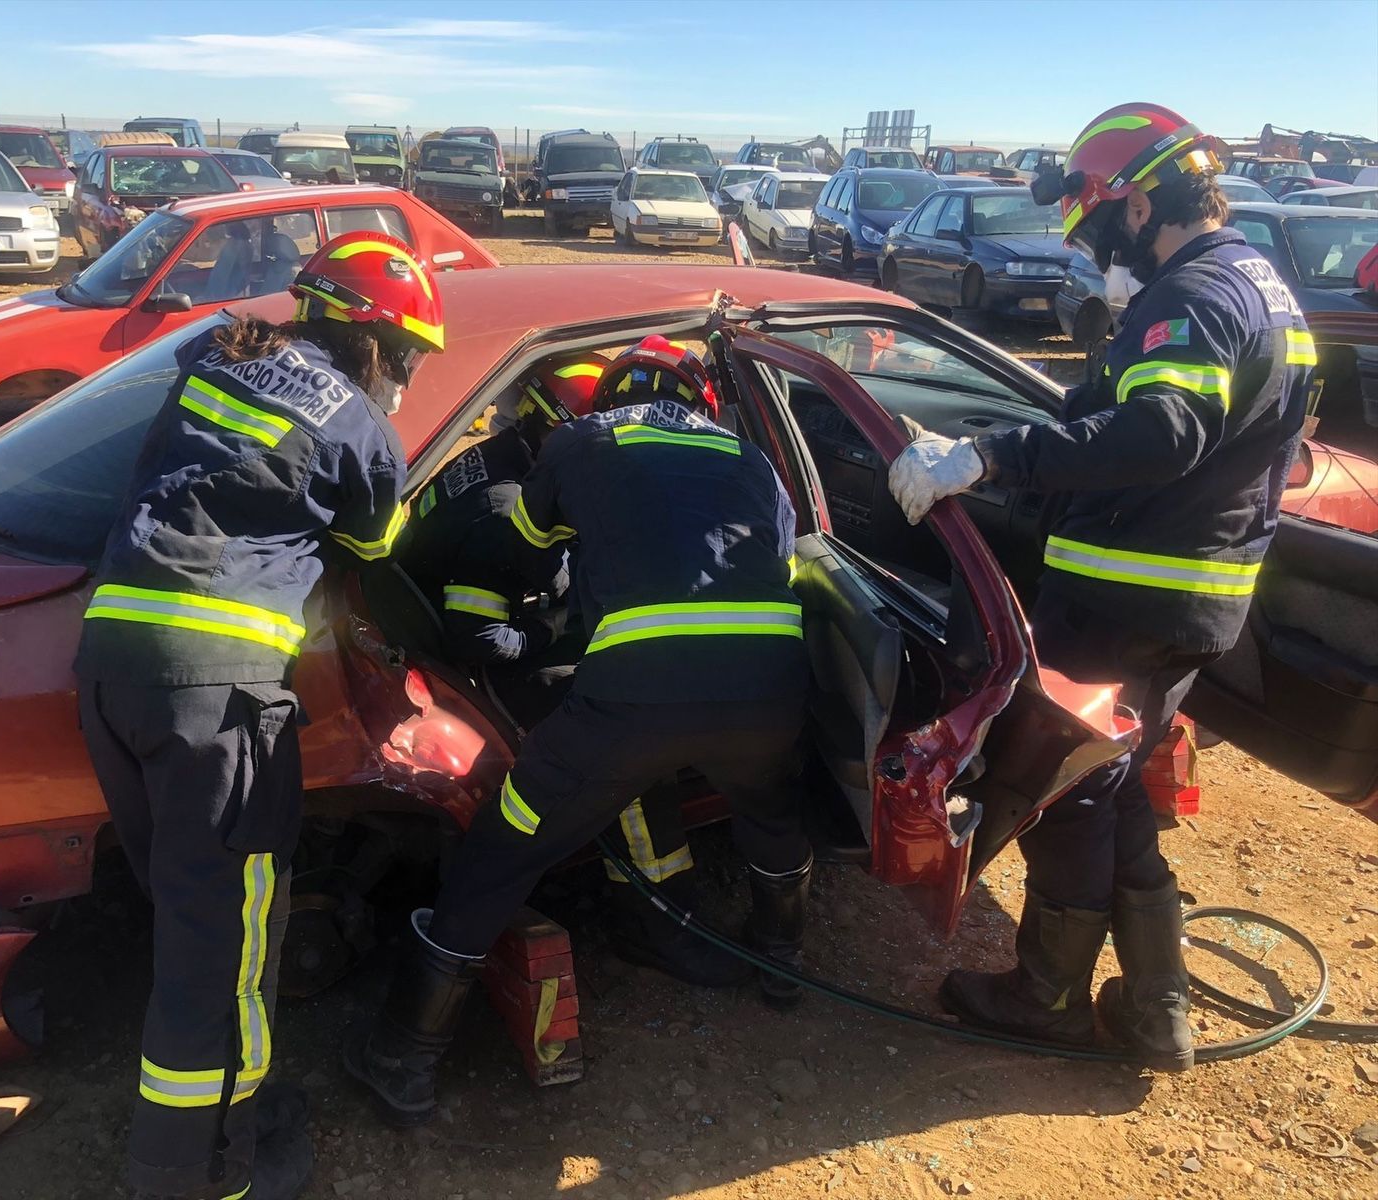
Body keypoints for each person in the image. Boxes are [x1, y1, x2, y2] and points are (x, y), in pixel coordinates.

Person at [886, 103, 1316, 1072]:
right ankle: (1156, 1010)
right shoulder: (1258, 284)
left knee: (1068, 792)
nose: (1091, 256)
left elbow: (1160, 433)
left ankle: (1043, 995)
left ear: (1134, 204)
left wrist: (989, 460)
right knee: (1112, 790)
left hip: (1126, 604)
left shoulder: (1194, 296)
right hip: (1189, 605)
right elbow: (1123, 412)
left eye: (1091, 229)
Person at [345, 335, 814, 1127]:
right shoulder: (755, 461)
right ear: (701, 402)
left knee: (506, 842)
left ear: (609, 397)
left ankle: (403, 1056)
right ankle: (783, 961)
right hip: (767, 692)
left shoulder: (582, 439)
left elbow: (525, 554)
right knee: (771, 808)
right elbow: (782, 567)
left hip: (632, 701)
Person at [73, 230, 444, 1199]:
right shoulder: (362, 428)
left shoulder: (212, 351)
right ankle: (211, 1176)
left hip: (110, 664)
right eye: (404, 355)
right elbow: (376, 546)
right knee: (226, 961)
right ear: (367, 338)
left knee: (190, 920)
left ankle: (200, 1136)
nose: (403, 377)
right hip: (219, 697)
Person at [398, 353, 750, 988]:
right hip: (477, 678)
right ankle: (656, 922)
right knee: (635, 740)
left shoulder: (500, 459)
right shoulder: (506, 506)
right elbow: (477, 635)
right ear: (556, 426)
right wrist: (553, 629)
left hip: (442, 654)